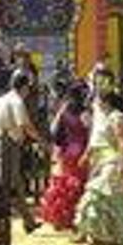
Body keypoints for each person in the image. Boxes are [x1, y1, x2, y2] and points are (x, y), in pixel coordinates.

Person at [74, 91, 123, 245]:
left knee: (100, 196)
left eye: (97, 99)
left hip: (112, 161)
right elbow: (94, 139)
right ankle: (94, 234)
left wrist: (122, 164)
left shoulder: (117, 116)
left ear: (106, 101)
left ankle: (109, 236)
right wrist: (86, 155)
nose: (94, 102)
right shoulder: (100, 116)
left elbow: (122, 142)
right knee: (97, 198)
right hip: (98, 161)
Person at [0, 70, 48, 234]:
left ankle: (28, 221)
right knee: (6, 183)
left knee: (15, 183)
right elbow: (24, 125)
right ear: (24, 87)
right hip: (9, 144)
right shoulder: (17, 102)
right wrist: (41, 141)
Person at [38, 82, 91, 230]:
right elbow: (90, 134)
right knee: (79, 185)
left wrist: (58, 150)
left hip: (66, 151)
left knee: (63, 184)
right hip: (81, 152)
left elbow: (55, 132)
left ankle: (62, 218)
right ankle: (77, 218)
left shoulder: (63, 111)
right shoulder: (86, 113)